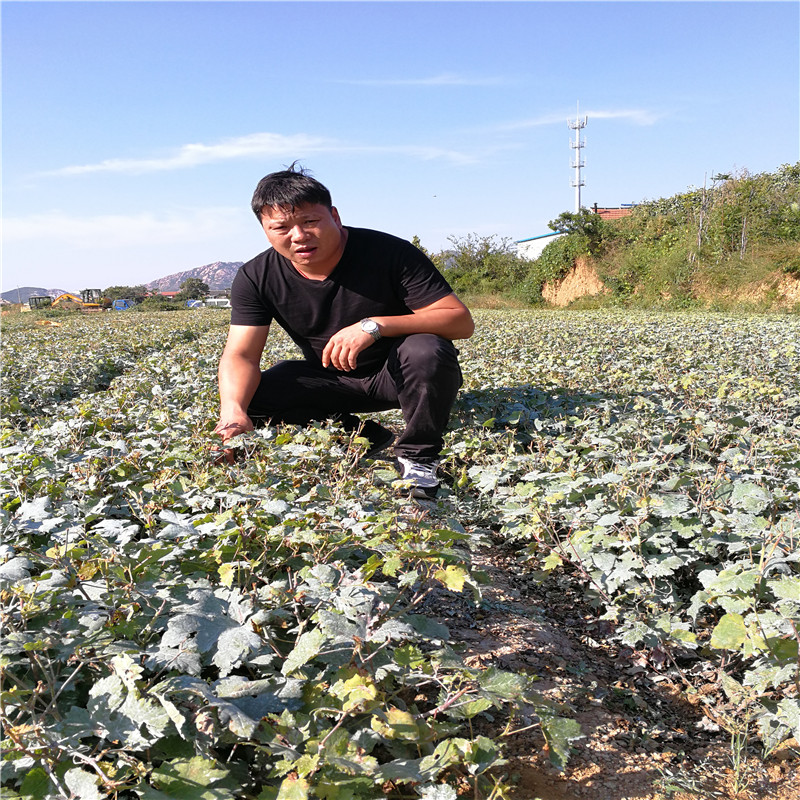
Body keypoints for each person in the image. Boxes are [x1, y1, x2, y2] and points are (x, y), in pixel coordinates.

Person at [214, 164, 474, 497]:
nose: (298, 236)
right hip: (334, 378)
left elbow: (460, 320)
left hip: (397, 375)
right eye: (281, 227)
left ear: (334, 216)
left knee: (426, 349)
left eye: (310, 222)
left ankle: (418, 458)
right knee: (250, 394)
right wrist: (233, 412)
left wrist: (376, 326)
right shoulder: (256, 276)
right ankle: (361, 433)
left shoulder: (389, 253)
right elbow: (241, 354)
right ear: (265, 230)